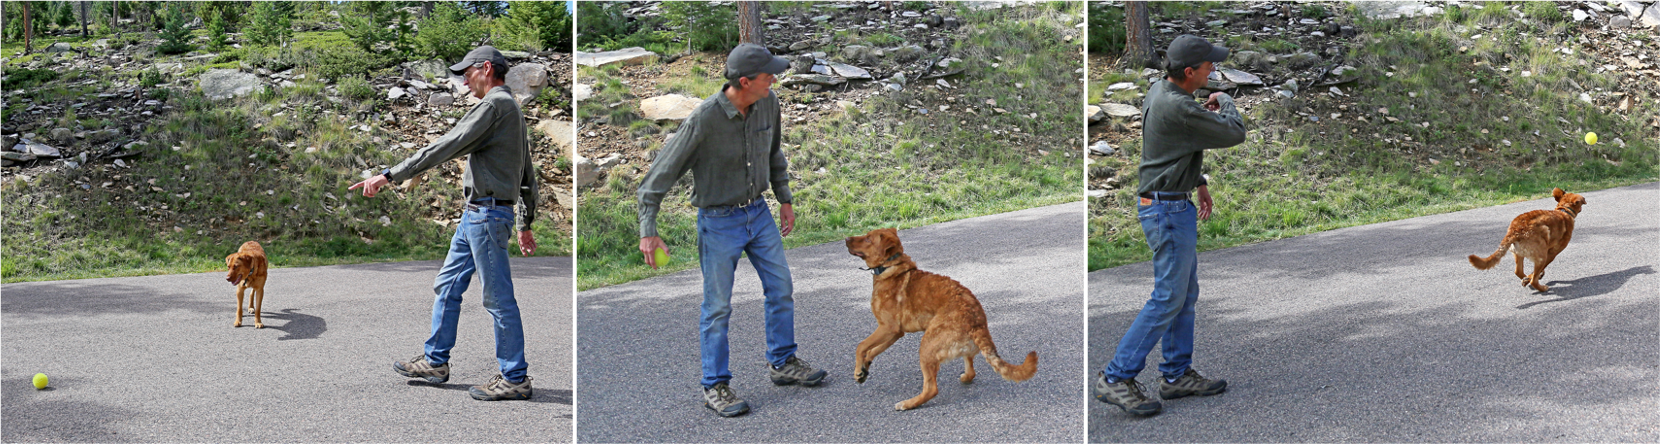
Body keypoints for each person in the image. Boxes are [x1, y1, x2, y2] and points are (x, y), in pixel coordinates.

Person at [636, 43, 827, 418]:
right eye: (768, 74)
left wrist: (784, 198)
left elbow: (774, 154)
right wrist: (648, 230)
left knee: (781, 288)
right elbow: (656, 178)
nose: (774, 78)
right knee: (718, 306)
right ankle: (715, 385)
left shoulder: (768, 103)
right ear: (744, 81)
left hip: (758, 213)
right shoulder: (704, 119)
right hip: (718, 222)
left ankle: (783, 362)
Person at [349, 46, 540, 401]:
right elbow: (527, 171)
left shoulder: (496, 106)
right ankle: (435, 361)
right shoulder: (511, 109)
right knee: (447, 286)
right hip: (476, 214)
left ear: (486, 68)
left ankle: (514, 376)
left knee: (498, 299)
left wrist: (389, 174)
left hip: (486, 214)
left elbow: (447, 145)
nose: (464, 81)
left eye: (467, 73)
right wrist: (526, 221)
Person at [1094, 34, 1247, 417]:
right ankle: (1116, 377)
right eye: (1209, 65)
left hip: (1169, 204)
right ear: (1190, 72)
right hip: (1167, 211)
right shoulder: (1180, 107)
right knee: (1167, 298)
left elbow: (1167, 147)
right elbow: (1234, 133)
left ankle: (1176, 375)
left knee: (1183, 295)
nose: (1214, 69)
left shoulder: (1161, 91)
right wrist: (1226, 100)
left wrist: (1198, 181)